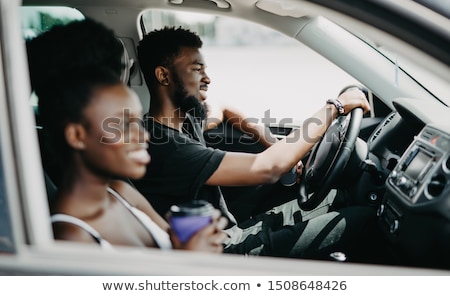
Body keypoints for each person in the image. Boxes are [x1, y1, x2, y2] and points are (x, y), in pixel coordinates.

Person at [133, 26, 379, 260]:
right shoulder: (163, 145)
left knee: (340, 197)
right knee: (366, 218)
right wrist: (333, 108)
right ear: (163, 75)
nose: (207, 78)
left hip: (234, 232)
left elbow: (224, 108)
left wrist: (271, 140)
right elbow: (268, 167)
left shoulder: (186, 118)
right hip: (224, 253)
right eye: (197, 69)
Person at [26, 19, 227, 252]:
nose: (144, 136)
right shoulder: (70, 236)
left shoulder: (121, 192)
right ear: (77, 135)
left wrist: (195, 244)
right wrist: (195, 260)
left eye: (138, 121)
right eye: (122, 125)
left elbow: (176, 255)